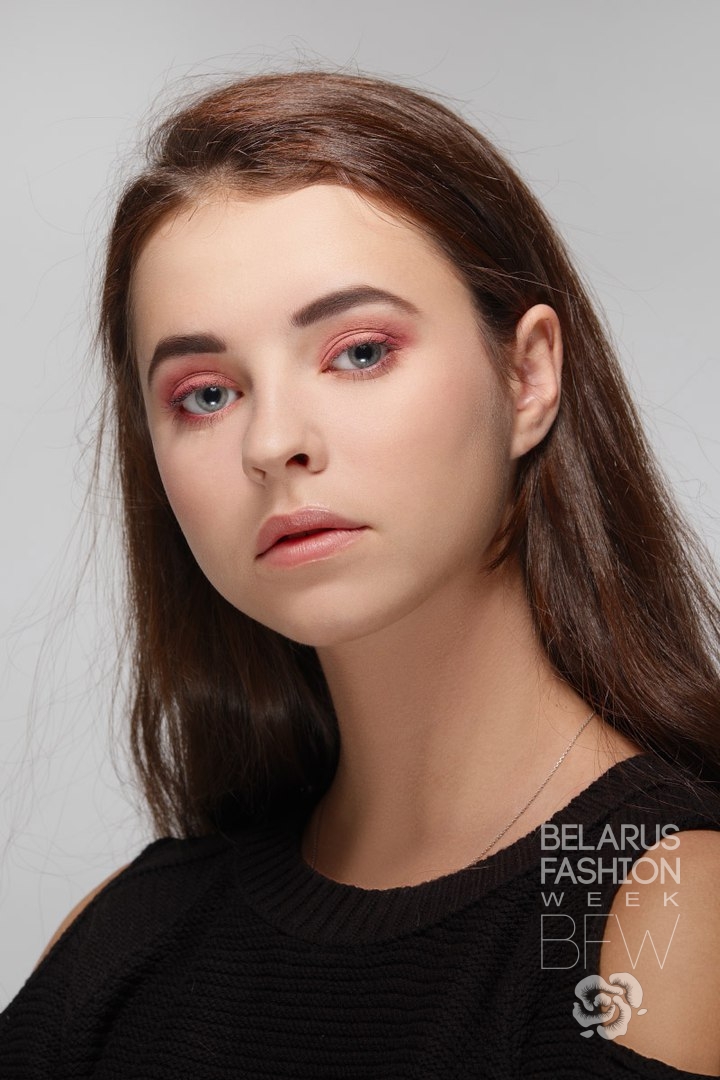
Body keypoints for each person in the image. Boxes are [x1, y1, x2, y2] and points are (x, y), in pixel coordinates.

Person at [1, 69, 720, 1078]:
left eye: (360, 352)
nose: (274, 442)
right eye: (205, 394)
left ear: (527, 376)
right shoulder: (120, 947)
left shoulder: (668, 913)